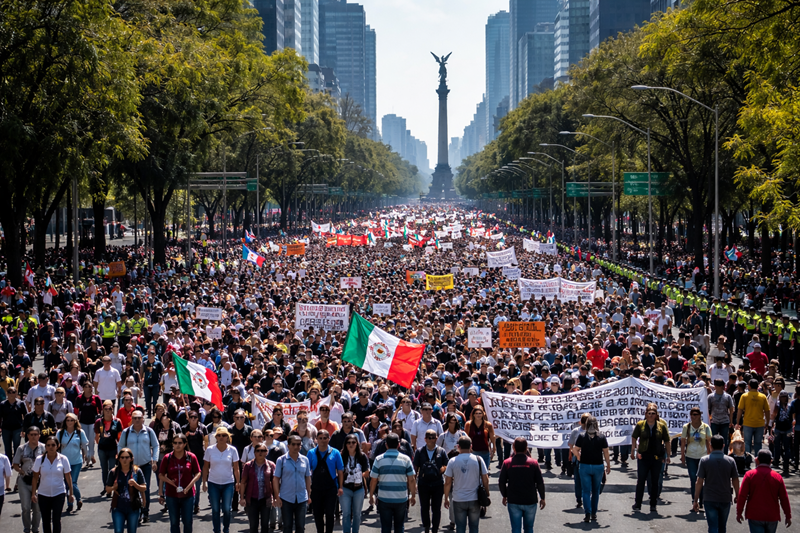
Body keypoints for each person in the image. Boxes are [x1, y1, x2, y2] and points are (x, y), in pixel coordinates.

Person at [117, 409, 158, 523]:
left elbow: (155, 446)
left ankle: (145, 512)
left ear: (143, 419)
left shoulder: (149, 431)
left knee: (145, 489)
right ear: (132, 419)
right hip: (131, 467)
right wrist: (122, 460)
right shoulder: (126, 432)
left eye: (139, 418)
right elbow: (120, 446)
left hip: (145, 465)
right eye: (134, 418)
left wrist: (154, 460)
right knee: (132, 489)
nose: (137, 420)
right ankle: (136, 512)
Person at [369, 432, 416, 533]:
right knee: (399, 526)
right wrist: (413, 495)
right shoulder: (406, 459)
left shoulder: (379, 459)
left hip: (384, 498)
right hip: (401, 498)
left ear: (386, 445)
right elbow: (411, 479)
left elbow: (373, 479)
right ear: (399, 444)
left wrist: (371, 495)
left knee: (385, 527)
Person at [736, 450, 792, 533]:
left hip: (754, 515)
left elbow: (742, 495)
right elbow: (784, 498)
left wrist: (739, 512)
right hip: (772, 516)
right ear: (771, 461)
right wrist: (788, 516)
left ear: (757, 460)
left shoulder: (749, 475)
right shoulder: (777, 477)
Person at [693, 435, 739, 533]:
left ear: (710, 446)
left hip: (710, 498)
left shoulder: (704, 460)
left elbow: (699, 481)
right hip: (725, 498)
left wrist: (696, 499)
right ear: (723, 446)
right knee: (722, 527)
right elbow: (735, 480)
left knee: (713, 526)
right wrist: (737, 495)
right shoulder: (730, 461)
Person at [499, 437, 546, 533]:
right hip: (530, 500)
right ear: (526, 448)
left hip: (513, 501)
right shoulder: (533, 463)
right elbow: (540, 482)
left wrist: (505, 495)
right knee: (529, 528)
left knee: (516, 529)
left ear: (513, 448)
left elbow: (501, 482)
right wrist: (542, 498)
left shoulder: (507, 463)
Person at [631, 402, 671, 513]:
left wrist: (668, 455)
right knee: (641, 480)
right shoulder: (640, 425)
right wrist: (633, 451)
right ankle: (638, 503)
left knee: (654, 481)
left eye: (653, 413)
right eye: (649, 413)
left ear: (656, 415)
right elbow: (634, 437)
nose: (651, 415)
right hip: (643, 456)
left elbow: (667, 440)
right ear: (645, 414)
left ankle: (653, 504)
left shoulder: (661, 426)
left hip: (657, 457)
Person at [443, 436, 489, 533]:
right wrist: (487, 492)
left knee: (460, 528)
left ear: (458, 446)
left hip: (458, 499)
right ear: (471, 446)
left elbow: (447, 482)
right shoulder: (478, 459)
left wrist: (446, 497)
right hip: (474, 498)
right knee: (474, 527)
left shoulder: (452, 461)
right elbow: (485, 478)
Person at [158, 433, 202, 533]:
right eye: (175, 443)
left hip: (188, 495)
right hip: (171, 495)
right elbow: (161, 475)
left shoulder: (191, 457)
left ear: (185, 444)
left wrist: (189, 486)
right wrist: (166, 486)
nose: (177, 445)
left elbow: (198, 473)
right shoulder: (167, 458)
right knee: (174, 522)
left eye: (180, 443)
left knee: (187, 522)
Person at [30, 435, 74, 533]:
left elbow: (68, 477)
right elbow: (35, 477)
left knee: (56, 519)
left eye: (53, 445)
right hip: (43, 494)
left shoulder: (63, 459)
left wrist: (71, 493)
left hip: (59, 493)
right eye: (48, 445)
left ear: (57, 446)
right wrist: (33, 493)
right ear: (45, 447)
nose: (51, 447)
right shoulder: (39, 459)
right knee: (45, 520)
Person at [202, 426, 240, 533]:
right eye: (219, 435)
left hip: (228, 483)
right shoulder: (210, 450)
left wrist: (238, 482)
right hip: (213, 482)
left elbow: (236, 468)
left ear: (228, 437)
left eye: (224, 435)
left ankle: (226, 529)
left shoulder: (233, 450)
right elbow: (205, 467)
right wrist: (204, 482)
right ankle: (217, 530)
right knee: (215, 510)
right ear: (216, 437)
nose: (221, 437)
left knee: (227, 509)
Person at [574, 416, 610, 523]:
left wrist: (579, 457)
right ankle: (594, 513)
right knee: (595, 491)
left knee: (585, 491)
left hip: (584, 466)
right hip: (598, 466)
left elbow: (574, 450)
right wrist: (608, 465)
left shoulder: (581, 436)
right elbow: (606, 452)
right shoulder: (602, 437)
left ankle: (587, 512)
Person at [273, 434, 313, 533]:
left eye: (298, 444)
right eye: (293, 444)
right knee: (287, 526)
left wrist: (308, 494)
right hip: (286, 498)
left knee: (300, 526)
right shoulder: (281, 460)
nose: (296, 447)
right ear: (288, 446)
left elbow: (307, 477)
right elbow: (276, 479)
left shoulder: (305, 460)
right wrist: (277, 496)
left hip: (301, 498)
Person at [307, 429, 344, 533]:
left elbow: (340, 471)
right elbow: (307, 472)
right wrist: (308, 489)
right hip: (316, 488)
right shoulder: (311, 453)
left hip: (331, 488)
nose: (323, 440)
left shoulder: (335, 452)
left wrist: (340, 487)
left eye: (325, 438)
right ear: (316, 440)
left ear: (329, 439)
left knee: (330, 514)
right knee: (317, 514)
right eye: (320, 438)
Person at [413, 429, 448, 533]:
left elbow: (447, 464)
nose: (431, 440)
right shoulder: (419, 451)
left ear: (436, 439)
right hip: (423, 483)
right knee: (424, 507)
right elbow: (415, 467)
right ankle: (426, 527)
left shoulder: (441, 451)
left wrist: (443, 468)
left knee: (436, 508)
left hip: (437, 483)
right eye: (429, 438)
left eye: (433, 438)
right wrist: (414, 482)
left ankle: (435, 528)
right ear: (425, 439)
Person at [106, 447, 147, 533]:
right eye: (122, 457)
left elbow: (144, 487)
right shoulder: (113, 472)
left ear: (131, 459)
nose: (125, 460)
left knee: (132, 531)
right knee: (118, 531)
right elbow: (107, 489)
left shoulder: (137, 471)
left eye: (127, 457)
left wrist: (135, 484)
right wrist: (113, 488)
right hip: (118, 507)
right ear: (118, 458)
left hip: (133, 507)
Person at [14, 426, 45, 533]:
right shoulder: (21, 448)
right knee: (26, 507)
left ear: (39, 435)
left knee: (37, 508)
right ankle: (27, 528)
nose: (33, 437)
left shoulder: (44, 448)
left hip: (39, 481)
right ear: (27, 436)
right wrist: (22, 472)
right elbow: (15, 464)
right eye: (31, 434)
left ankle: (35, 528)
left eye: (35, 434)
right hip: (24, 480)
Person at [239, 442, 276, 533]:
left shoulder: (271, 465)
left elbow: (275, 482)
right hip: (252, 499)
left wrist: (275, 498)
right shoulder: (248, 466)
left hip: (265, 498)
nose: (260, 453)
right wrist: (242, 497)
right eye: (258, 450)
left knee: (265, 525)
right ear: (254, 452)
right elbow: (243, 482)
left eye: (263, 451)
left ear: (266, 452)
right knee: (253, 526)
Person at [681, 406, 712, 512]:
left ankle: (702, 499)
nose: (693, 417)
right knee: (693, 479)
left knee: (702, 479)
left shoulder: (706, 427)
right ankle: (695, 500)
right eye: (692, 415)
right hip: (690, 456)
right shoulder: (687, 427)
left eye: (695, 415)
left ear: (699, 416)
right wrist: (682, 455)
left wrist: (710, 454)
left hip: (702, 457)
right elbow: (683, 441)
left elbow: (709, 441)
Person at [56, 413, 88, 512]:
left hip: (76, 461)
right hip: (64, 462)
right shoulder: (60, 433)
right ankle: (70, 504)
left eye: (71, 420)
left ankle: (78, 499)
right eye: (67, 420)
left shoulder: (79, 432)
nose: (69, 422)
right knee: (66, 484)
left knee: (72, 483)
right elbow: (55, 445)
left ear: (75, 421)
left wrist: (87, 456)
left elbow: (84, 444)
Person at [340, 434, 369, 533]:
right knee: (346, 513)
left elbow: (367, 471)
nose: (351, 444)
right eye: (349, 443)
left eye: (353, 442)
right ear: (345, 444)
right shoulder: (341, 456)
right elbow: (337, 471)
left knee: (357, 514)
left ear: (357, 443)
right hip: (345, 488)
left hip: (358, 488)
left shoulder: (362, 456)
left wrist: (361, 474)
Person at [736, 379, 771, 454]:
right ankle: (758, 461)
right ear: (757, 386)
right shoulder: (763, 397)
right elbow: (767, 411)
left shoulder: (744, 396)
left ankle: (748, 461)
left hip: (748, 424)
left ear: (749, 386)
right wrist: (767, 423)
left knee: (747, 443)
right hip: (759, 424)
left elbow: (740, 410)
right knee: (758, 444)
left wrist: (738, 422)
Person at [96, 399, 124, 496]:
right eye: (106, 409)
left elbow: (120, 436)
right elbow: (96, 437)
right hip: (102, 449)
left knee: (112, 469)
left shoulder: (117, 421)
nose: (108, 411)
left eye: (110, 409)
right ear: (103, 410)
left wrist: (119, 450)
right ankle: (106, 488)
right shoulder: (98, 422)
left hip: (113, 448)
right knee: (104, 469)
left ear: (112, 410)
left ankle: (111, 487)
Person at [462, 406, 494, 471]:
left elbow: (492, 438)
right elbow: (466, 438)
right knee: (474, 472)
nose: (478, 415)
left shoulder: (488, 425)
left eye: (480, 413)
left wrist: (493, 449)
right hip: (473, 452)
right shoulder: (469, 424)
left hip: (485, 452)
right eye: (476, 413)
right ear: (473, 414)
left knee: (484, 472)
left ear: (483, 414)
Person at [708, 379, 735, 452]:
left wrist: (731, 422)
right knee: (713, 439)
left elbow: (731, 409)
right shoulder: (710, 396)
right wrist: (709, 419)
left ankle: (725, 455)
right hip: (714, 421)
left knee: (724, 440)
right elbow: (707, 409)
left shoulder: (728, 396)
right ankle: (714, 453)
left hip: (725, 421)